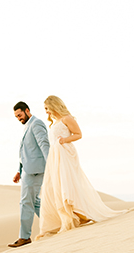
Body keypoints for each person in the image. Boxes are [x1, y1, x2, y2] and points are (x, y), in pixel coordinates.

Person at [36, 95, 123, 239]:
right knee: (55, 186)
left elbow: (78, 134)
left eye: (47, 108)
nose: (46, 112)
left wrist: (64, 140)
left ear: (53, 105)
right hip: (55, 157)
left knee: (67, 183)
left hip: (65, 154)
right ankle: (71, 216)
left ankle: (78, 214)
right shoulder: (55, 121)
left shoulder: (67, 118)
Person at [8, 101, 50, 248]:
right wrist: (19, 171)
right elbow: (26, 151)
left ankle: (24, 237)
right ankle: (53, 225)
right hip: (27, 170)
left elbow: (44, 144)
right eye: (16, 117)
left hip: (35, 170)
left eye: (20, 115)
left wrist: (51, 165)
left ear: (27, 110)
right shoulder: (28, 125)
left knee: (26, 202)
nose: (19, 118)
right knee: (35, 203)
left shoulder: (36, 123)